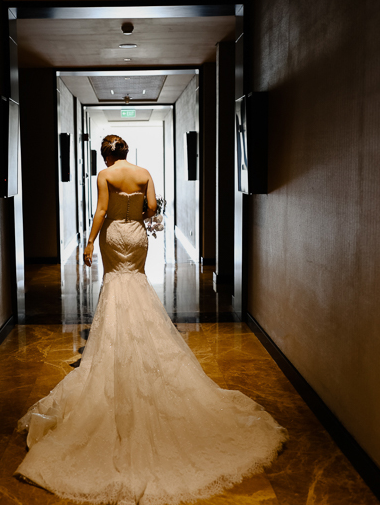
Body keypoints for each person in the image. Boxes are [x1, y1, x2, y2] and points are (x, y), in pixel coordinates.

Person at [15, 135, 287, 505]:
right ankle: (142, 340)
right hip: (137, 237)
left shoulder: (105, 175)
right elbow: (154, 207)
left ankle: (118, 343)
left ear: (107, 156)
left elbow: (101, 210)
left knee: (115, 284)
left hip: (114, 235)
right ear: (126, 152)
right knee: (137, 282)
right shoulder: (144, 173)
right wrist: (138, 215)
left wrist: (90, 241)